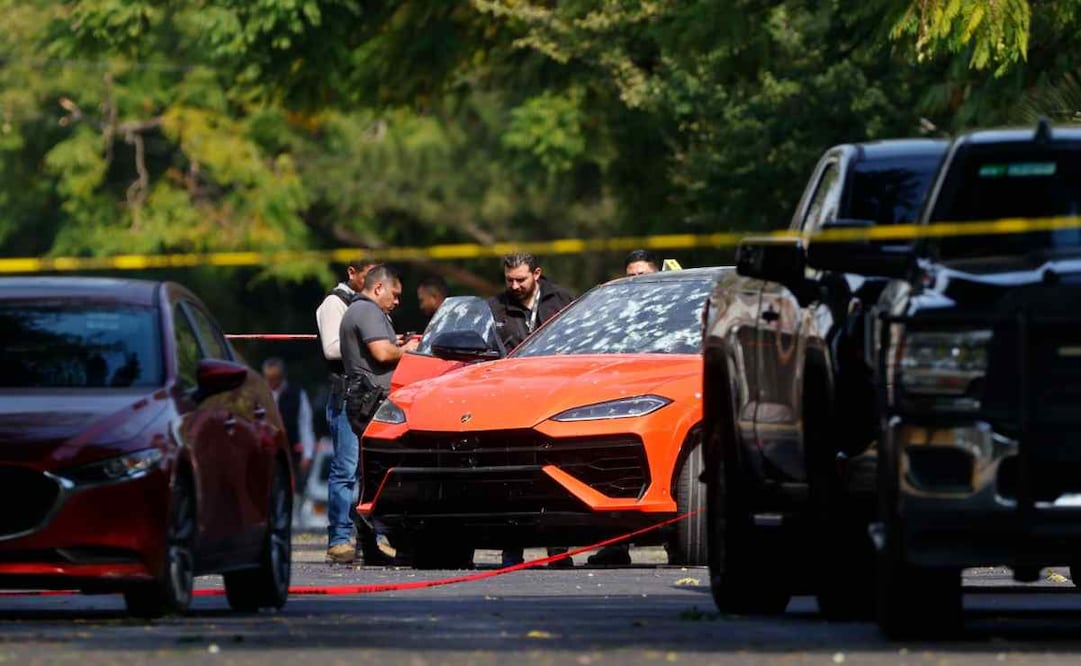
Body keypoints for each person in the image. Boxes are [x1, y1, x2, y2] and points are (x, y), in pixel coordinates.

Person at [488, 253, 575, 568]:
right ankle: (512, 551)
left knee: (556, 478)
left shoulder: (564, 301)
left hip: (555, 405)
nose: (514, 285)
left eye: (521, 279)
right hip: (508, 407)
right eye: (509, 279)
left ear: (537, 273)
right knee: (510, 481)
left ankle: (559, 551)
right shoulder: (494, 308)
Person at [334, 265, 420, 565]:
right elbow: (382, 353)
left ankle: (371, 544)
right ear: (379, 288)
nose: (397, 302)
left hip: (362, 399)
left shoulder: (359, 311)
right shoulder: (368, 311)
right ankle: (382, 540)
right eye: (394, 295)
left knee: (369, 474)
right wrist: (409, 348)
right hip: (372, 402)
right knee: (382, 473)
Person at [315, 259, 378, 564]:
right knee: (345, 470)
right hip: (346, 397)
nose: (374, 281)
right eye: (368, 275)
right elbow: (331, 348)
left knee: (369, 471)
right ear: (352, 273)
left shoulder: (366, 303)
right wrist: (372, 344)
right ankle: (340, 539)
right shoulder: (334, 303)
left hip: (369, 397)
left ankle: (371, 539)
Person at [261, 357, 316, 504]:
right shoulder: (260, 395)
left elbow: (305, 424)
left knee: (291, 491)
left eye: (274, 379)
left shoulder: (297, 394)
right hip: (265, 451)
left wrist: (307, 454)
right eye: (268, 379)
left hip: (291, 452)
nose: (271, 383)